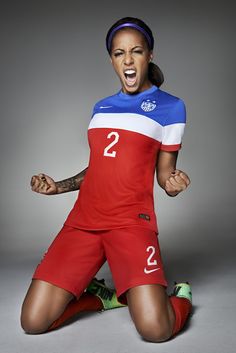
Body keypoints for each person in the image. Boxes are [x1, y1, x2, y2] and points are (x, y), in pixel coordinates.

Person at [21, 17, 192, 342]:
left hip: (131, 224)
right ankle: (98, 297)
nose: (128, 60)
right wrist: (58, 186)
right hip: (84, 222)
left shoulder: (171, 108)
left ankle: (182, 297)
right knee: (32, 322)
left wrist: (173, 184)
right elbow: (99, 169)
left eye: (136, 51)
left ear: (149, 56)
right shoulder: (101, 107)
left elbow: (165, 175)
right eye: (119, 53)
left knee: (156, 330)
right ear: (112, 59)